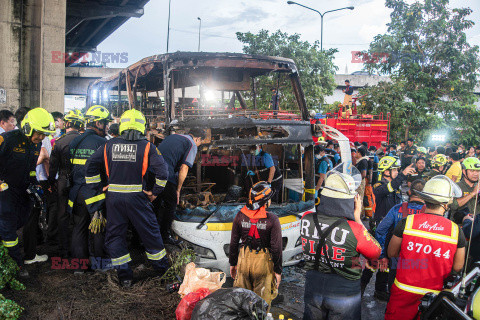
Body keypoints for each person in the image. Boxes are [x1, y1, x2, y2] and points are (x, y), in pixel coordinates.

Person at [85, 109, 169, 287]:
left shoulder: (108, 145)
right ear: (142, 126)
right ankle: (162, 270)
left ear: (122, 124)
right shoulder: (148, 147)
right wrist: (155, 192)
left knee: (115, 236)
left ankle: (125, 276)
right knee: (150, 233)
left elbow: (90, 166)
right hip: (138, 198)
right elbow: (163, 173)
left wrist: (99, 188)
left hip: (113, 198)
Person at [301, 168, 381, 320]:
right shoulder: (355, 229)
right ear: (349, 200)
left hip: (313, 287)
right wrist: (357, 218)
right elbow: (376, 252)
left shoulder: (306, 218)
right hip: (344, 293)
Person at [385, 175, 466, 320]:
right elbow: (458, 267)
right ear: (446, 203)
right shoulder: (456, 230)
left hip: (402, 293)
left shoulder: (407, 222)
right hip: (432, 299)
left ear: (425, 198)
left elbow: (391, 253)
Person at [0, 108, 55, 276]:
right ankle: (16, 266)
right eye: (39, 133)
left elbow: (31, 168)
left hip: (24, 192)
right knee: (8, 227)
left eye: (44, 134)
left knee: (19, 223)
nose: (41, 138)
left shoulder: (36, 144)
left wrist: (35, 185)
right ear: (27, 127)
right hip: (6, 192)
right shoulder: (6, 139)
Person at [361, 156, 415, 301]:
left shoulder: (396, 188)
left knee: (387, 262)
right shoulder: (379, 185)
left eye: (397, 170)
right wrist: (403, 175)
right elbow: (385, 190)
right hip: (379, 231)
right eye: (395, 169)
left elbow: (399, 208)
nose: (397, 172)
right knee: (373, 262)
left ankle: (379, 289)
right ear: (386, 171)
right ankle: (360, 289)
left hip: (392, 231)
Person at [68, 105, 112, 272]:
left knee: (79, 228)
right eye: (106, 123)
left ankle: (80, 266)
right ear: (98, 123)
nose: (107, 127)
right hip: (95, 193)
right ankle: (101, 264)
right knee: (99, 227)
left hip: (76, 193)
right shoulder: (102, 143)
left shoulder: (74, 141)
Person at [229, 182, 282, 307]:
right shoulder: (272, 219)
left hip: (243, 262)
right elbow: (276, 248)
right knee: (261, 306)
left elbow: (233, 242)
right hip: (263, 265)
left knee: (242, 303)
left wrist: (233, 263)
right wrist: (278, 271)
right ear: (266, 201)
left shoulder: (240, 215)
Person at [154, 128, 206, 244]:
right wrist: (178, 190)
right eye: (200, 143)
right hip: (165, 173)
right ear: (197, 138)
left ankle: (150, 236)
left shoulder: (173, 137)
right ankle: (165, 236)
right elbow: (184, 168)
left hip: (151, 171)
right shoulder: (191, 144)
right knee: (171, 203)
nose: (198, 145)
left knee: (155, 204)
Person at [373, 179, 426, 293]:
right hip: (420, 263)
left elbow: (380, 231)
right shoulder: (429, 213)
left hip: (396, 260)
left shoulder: (397, 209)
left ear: (410, 192)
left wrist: (382, 255)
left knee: (394, 293)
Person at [48, 110, 85, 257]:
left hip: (63, 181)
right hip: (80, 182)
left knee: (62, 215)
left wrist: (52, 182)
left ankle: (63, 250)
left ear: (67, 124)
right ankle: (80, 249)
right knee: (79, 215)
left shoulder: (59, 142)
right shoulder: (83, 141)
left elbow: (52, 167)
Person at [450, 157, 480, 224]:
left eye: (478, 171)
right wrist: (473, 193)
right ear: (464, 171)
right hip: (460, 227)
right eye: (472, 171)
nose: (475, 174)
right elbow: (453, 205)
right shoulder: (455, 187)